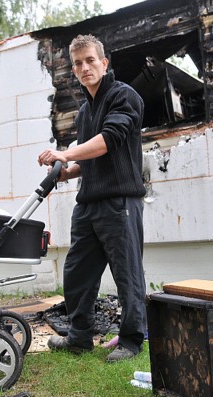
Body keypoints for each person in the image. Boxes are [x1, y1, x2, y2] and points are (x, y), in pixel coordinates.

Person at [37, 34, 147, 362]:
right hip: (88, 206)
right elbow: (90, 161)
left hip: (120, 203)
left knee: (126, 272)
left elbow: (108, 141)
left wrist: (63, 153)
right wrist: (64, 170)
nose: (85, 67)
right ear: (73, 69)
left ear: (104, 63)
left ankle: (131, 340)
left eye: (90, 60)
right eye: (78, 63)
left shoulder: (124, 97)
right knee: (77, 272)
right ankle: (79, 337)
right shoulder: (85, 112)